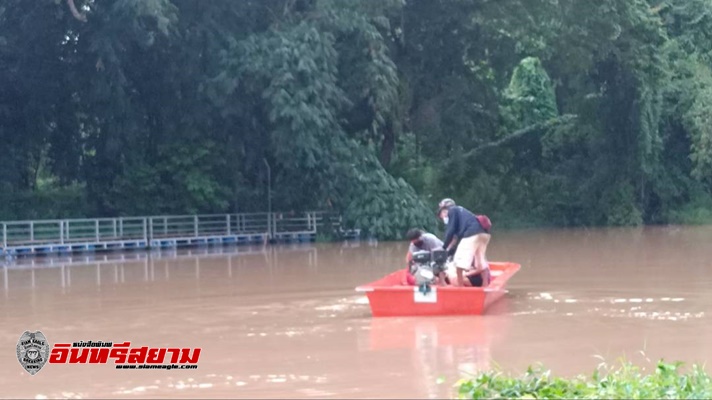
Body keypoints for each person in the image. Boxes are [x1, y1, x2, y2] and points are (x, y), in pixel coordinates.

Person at [437, 198, 491, 287]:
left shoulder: (452, 210)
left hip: (472, 234)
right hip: (484, 234)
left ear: (445, 209)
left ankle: (460, 287)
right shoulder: (463, 213)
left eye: (442, 214)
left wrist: (444, 247)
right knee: (480, 261)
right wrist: (449, 248)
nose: (442, 217)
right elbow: (456, 237)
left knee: (459, 261)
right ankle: (485, 285)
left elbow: (450, 231)